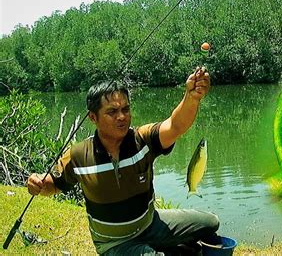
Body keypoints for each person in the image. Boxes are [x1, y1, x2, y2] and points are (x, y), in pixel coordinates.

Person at [26, 66, 219, 255]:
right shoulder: (79, 155)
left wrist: (192, 97)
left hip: (150, 225)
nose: (122, 117)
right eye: (112, 112)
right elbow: (54, 184)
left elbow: (175, 126)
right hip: (114, 244)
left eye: (126, 109)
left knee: (210, 223)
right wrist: (38, 183)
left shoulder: (142, 140)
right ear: (93, 117)